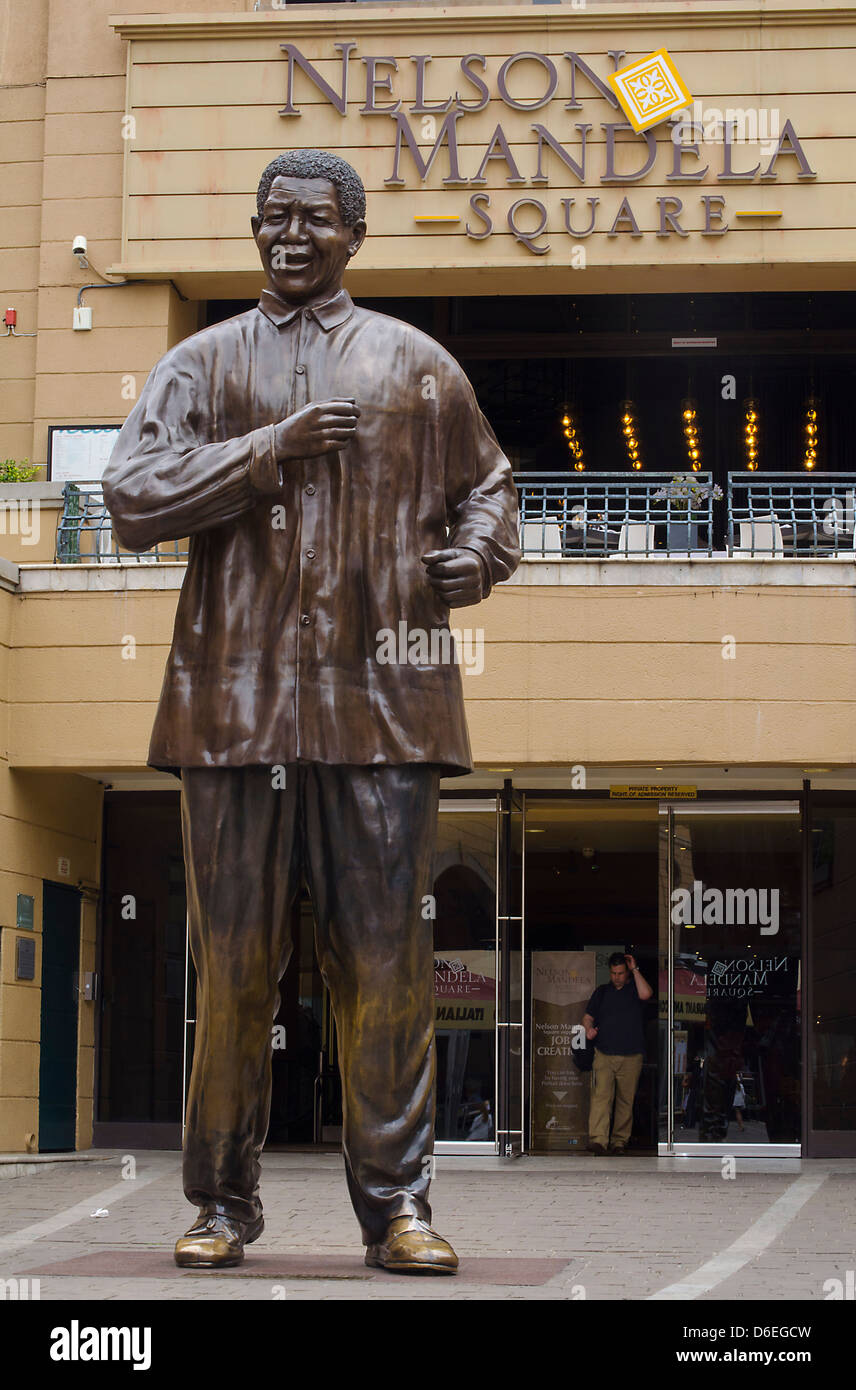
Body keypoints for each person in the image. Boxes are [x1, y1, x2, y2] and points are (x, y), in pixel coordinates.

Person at [102, 148, 521, 1275]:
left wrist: (473, 558)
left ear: (354, 235)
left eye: (316, 219)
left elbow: (495, 492)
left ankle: (396, 1205)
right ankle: (220, 1201)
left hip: (382, 707)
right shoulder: (200, 363)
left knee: (386, 965)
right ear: (254, 230)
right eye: (273, 218)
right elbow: (131, 497)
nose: (291, 235)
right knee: (235, 966)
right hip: (232, 710)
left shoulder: (417, 366)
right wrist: (261, 455)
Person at [583, 952, 653, 1155]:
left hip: (632, 1055)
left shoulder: (634, 989)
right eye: (613, 973)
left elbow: (647, 994)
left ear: (627, 972)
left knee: (625, 1101)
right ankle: (598, 1140)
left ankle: (619, 1142)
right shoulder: (602, 992)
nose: (617, 977)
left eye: (621, 973)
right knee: (601, 1098)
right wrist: (588, 1029)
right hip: (604, 1052)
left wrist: (635, 969)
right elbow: (587, 1017)